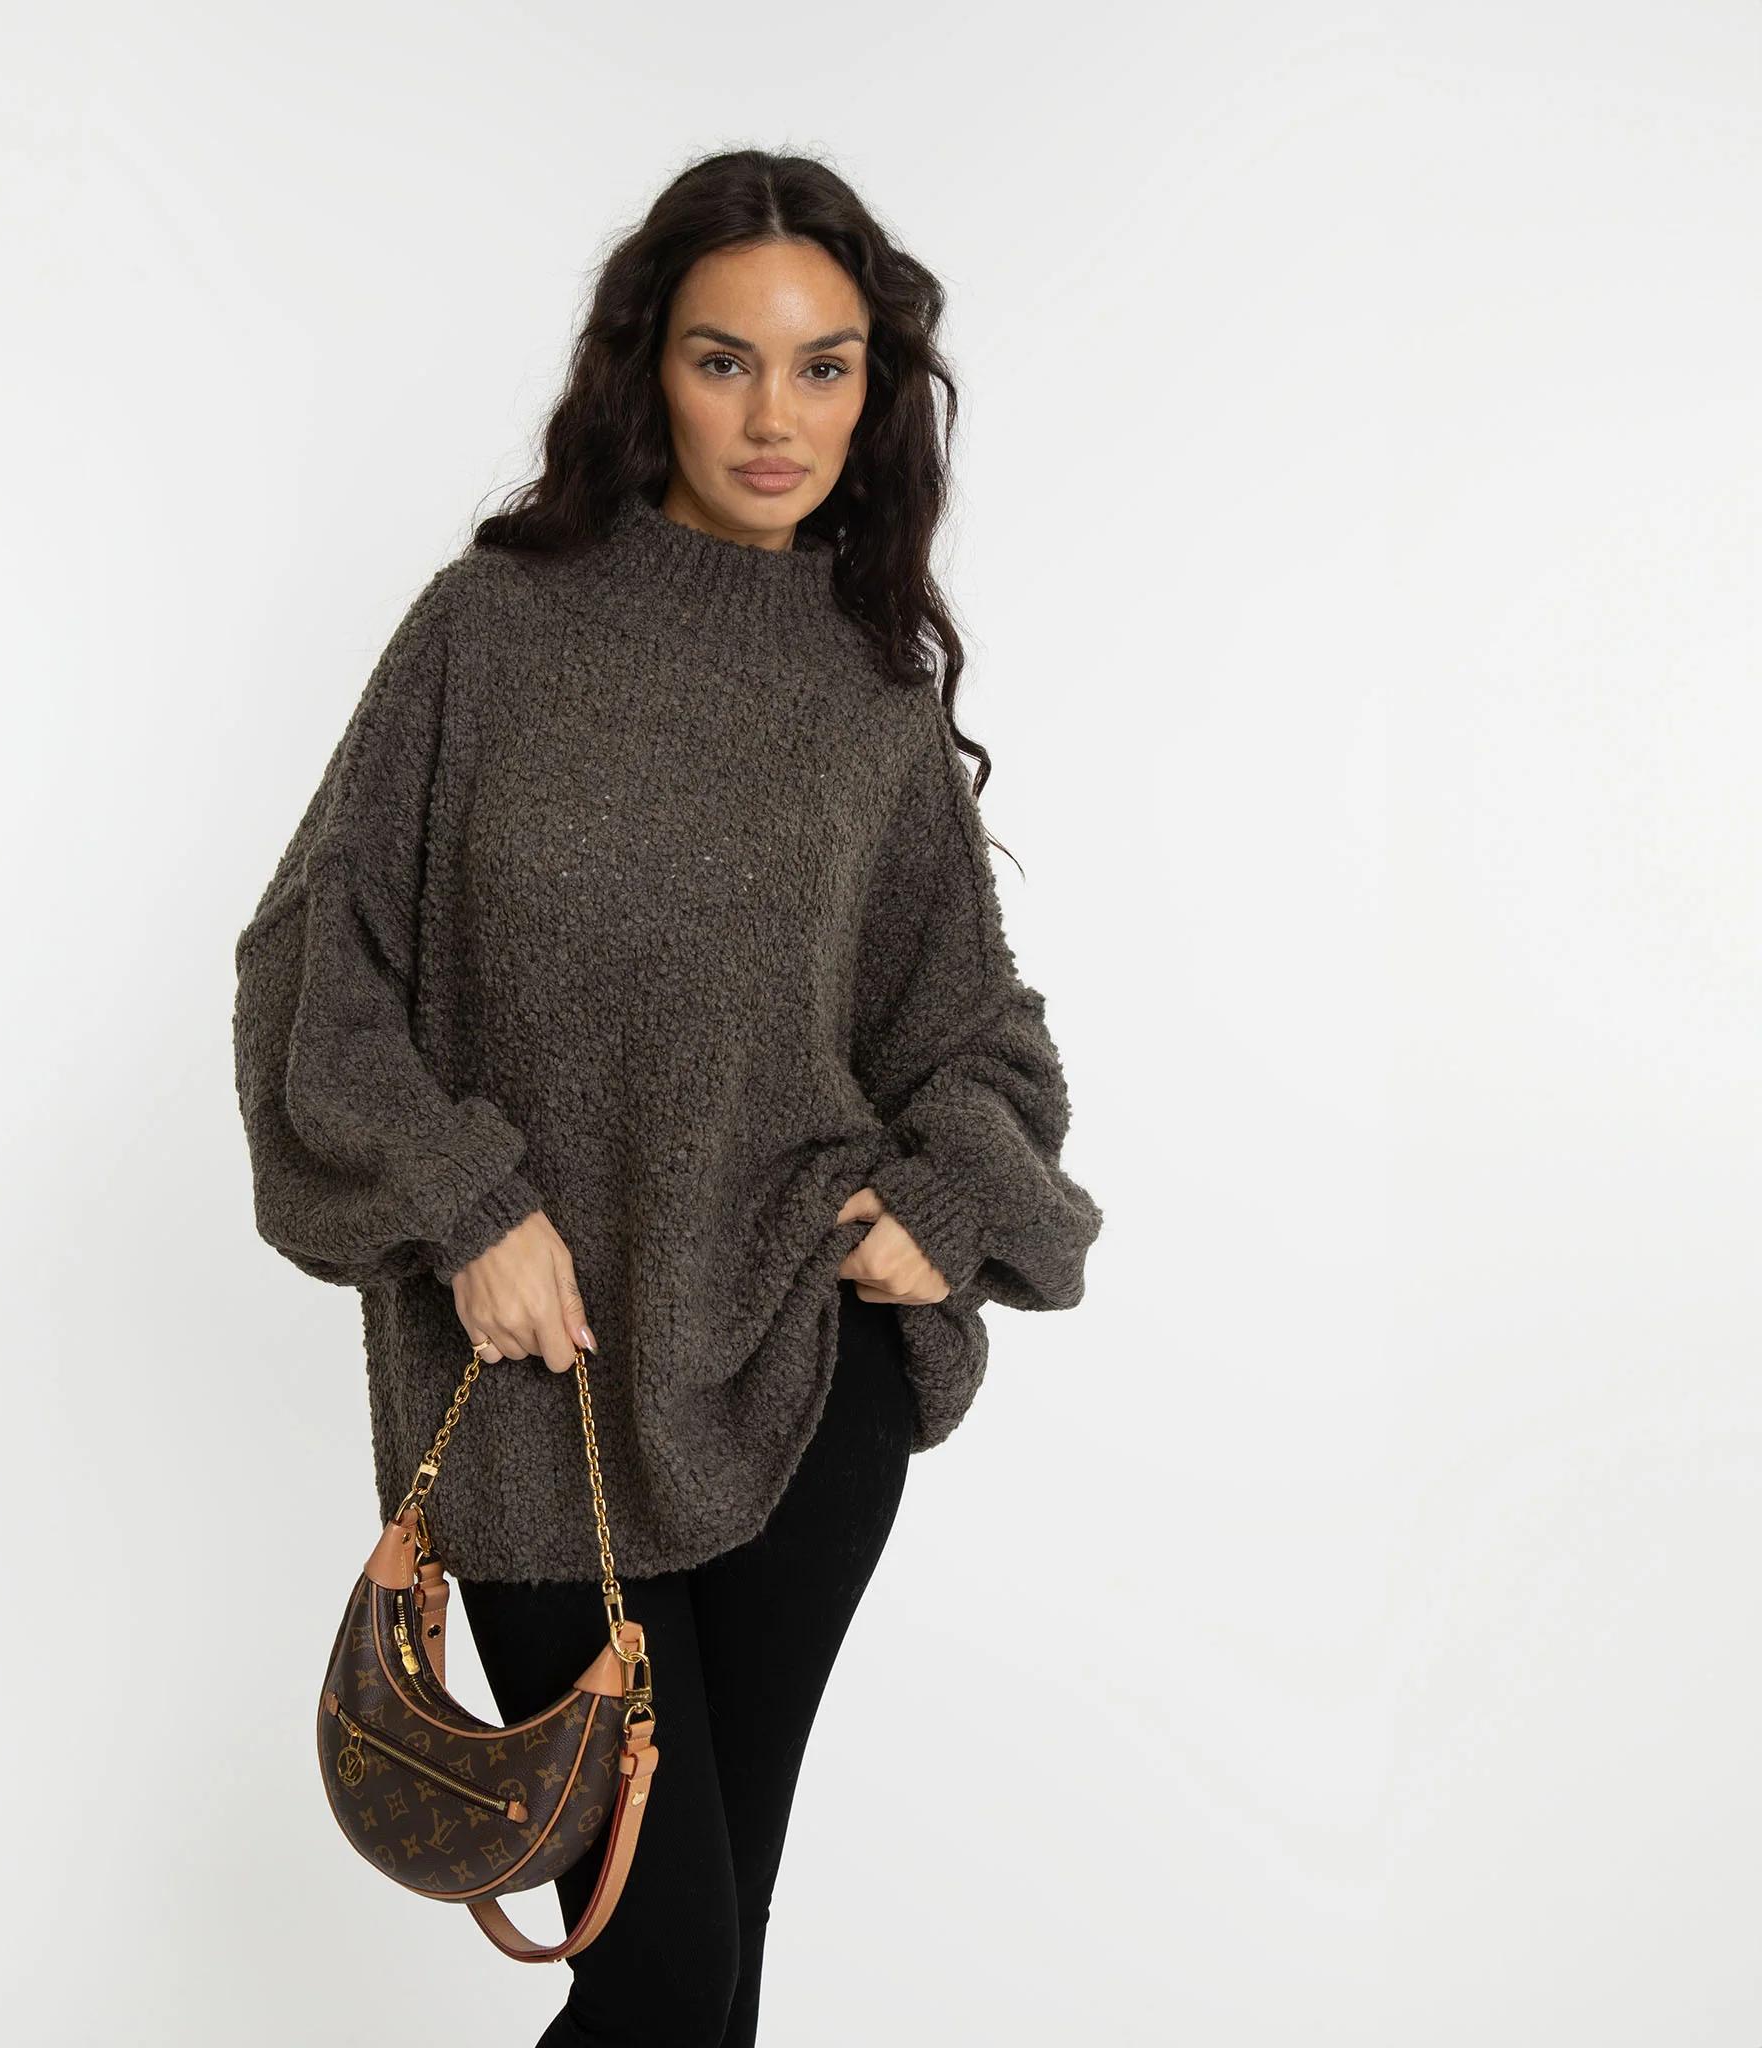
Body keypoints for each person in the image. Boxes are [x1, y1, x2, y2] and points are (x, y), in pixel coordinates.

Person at [231, 146, 1104, 2048]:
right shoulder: (489, 631)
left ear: (874, 393)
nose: (774, 417)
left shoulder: (867, 691)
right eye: (726, 361)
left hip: (799, 1386)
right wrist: (466, 1204)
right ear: (649, 370)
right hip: (533, 1400)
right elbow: (311, 964)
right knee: (663, 1975)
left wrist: (940, 1207)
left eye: (823, 367)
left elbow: (979, 1036)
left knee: (709, 1982)